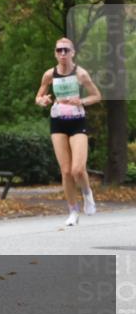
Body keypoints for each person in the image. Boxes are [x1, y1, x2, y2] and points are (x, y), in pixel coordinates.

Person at [34, 37, 102, 226]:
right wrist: (43, 101)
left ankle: (88, 194)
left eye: (66, 50)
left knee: (77, 169)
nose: (62, 54)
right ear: (55, 53)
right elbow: (38, 96)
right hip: (58, 122)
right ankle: (73, 211)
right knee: (65, 171)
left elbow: (97, 96)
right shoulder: (49, 74)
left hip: (77, 121)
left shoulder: (81, 74)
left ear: (73, 53)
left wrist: (82, 101)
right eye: (59, 50)